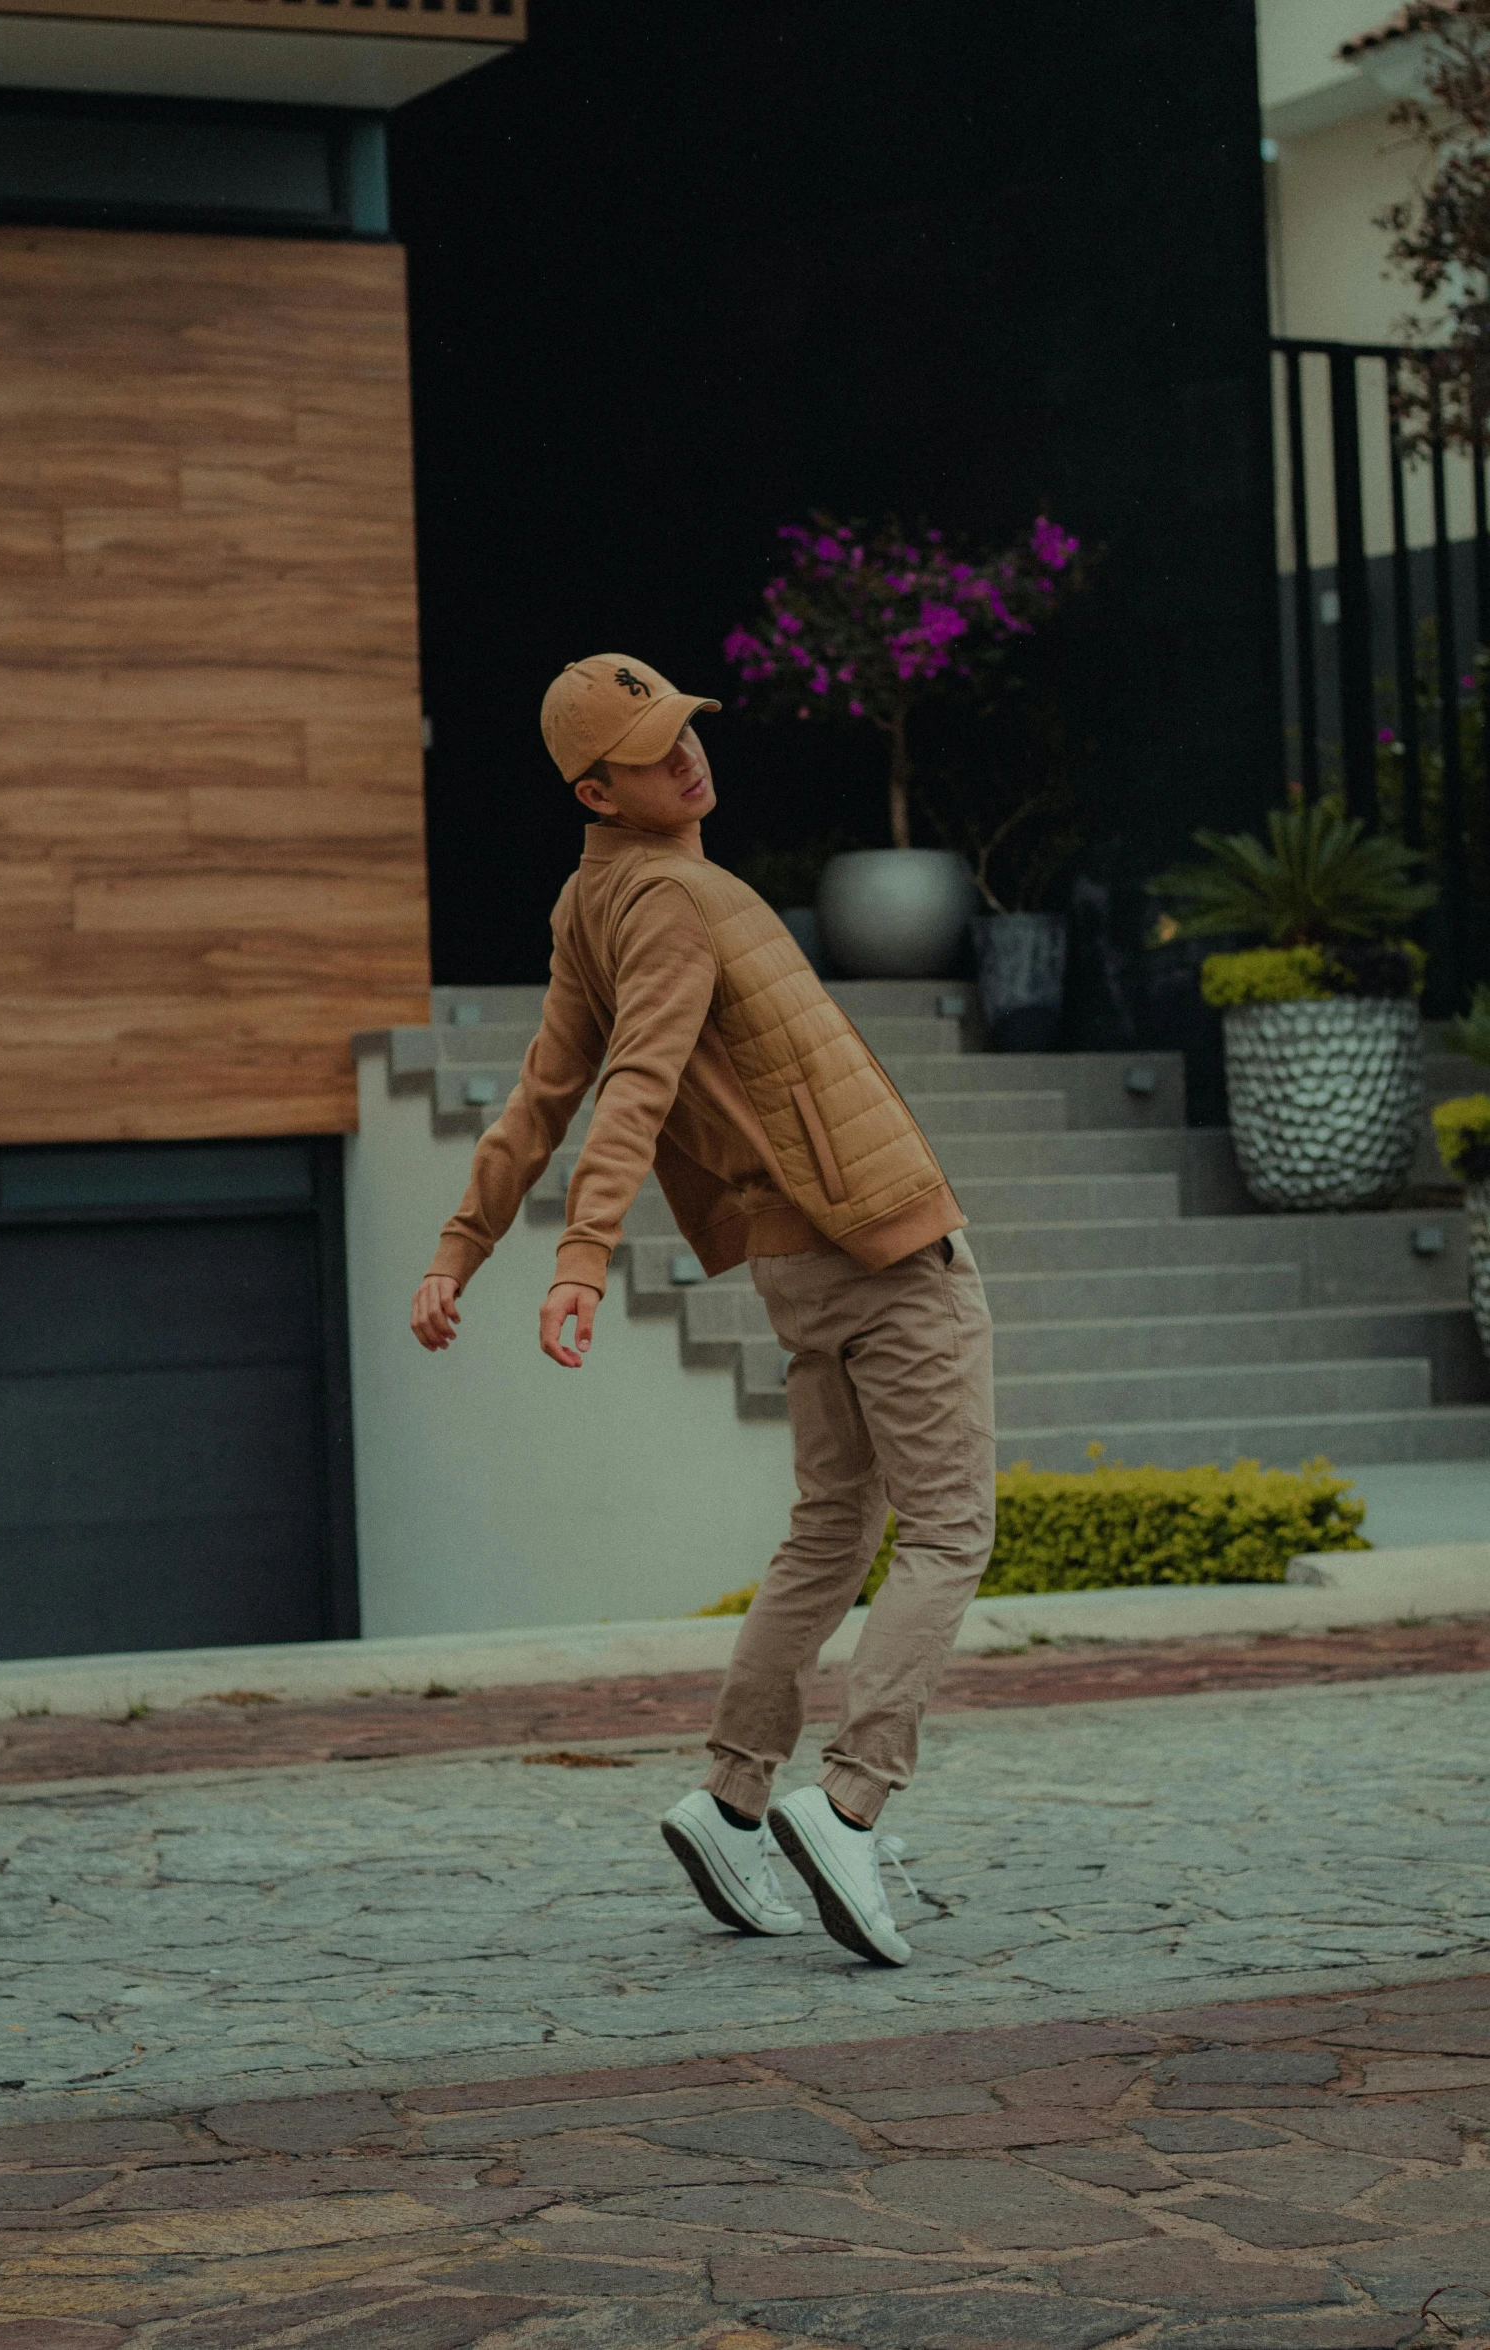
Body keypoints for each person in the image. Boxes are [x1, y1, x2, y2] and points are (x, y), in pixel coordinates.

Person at [411, 654, 995, 1966]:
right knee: (951, 1532)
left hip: (799, 1253)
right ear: (593, 786)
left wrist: (464, 1247)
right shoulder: (671, 895)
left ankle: (734, 1798)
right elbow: (627, 1085)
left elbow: (539, 1098)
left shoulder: (595, 900)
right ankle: (845, 1807)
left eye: (683, 728)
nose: (686, 757)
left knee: (828, 1533)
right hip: (879, 1242)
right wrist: (575, 1261)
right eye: (650, 747)